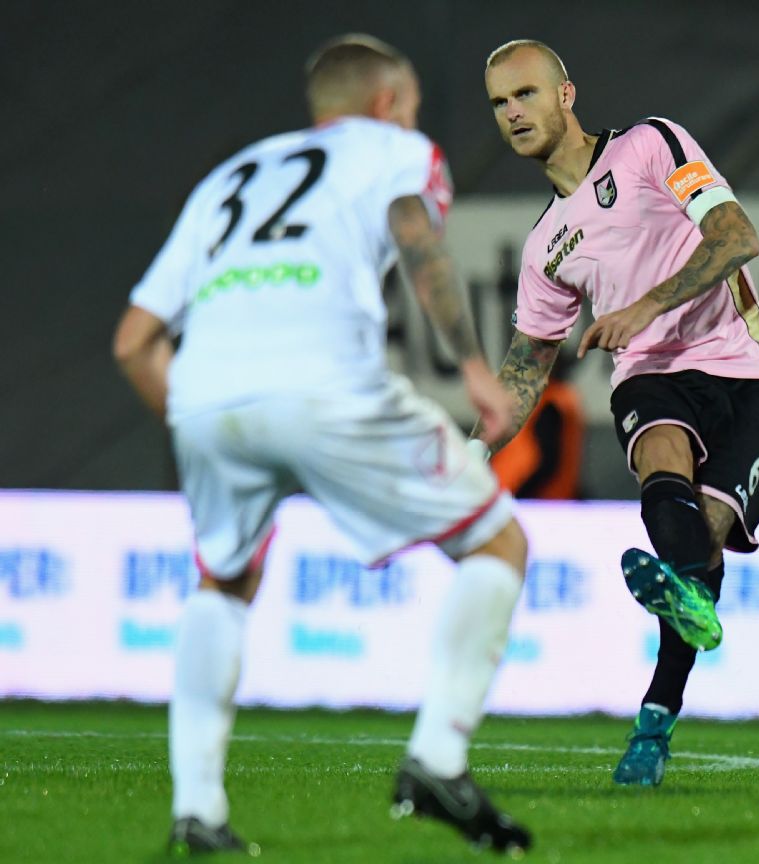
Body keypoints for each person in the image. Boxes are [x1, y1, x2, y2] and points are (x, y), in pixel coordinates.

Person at [112, 35, 531, 856]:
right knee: (496, 541)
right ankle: (437, 762)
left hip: (203, 391)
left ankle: (197, 813)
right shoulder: (400, 152)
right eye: (408, 107)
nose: (412, 121)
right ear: (386, 105)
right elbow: (414, 226)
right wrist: (475, 369)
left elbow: (133, 341)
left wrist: (202, 419)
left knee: (224, 578)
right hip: (323, 380)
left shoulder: (230, 176)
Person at [480, 40, 759, 787]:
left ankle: (658, 711)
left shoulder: (651, 146)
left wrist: (645, 304)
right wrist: (469, 452)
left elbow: (737, 236)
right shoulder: (544, 248)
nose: (513, 113)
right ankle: (662, 701)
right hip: (651, 376)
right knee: (661, 465)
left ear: (566, 95)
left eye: (525, 94)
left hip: (748, 374)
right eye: (498, 104)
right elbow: (526, 369)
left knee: (695, 555)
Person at [490, 350, 586, 499]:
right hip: (521, 497)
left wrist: (518, 496)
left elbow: (547, 462)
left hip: (534, 502)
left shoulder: (552, 403)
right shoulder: (549, 398)